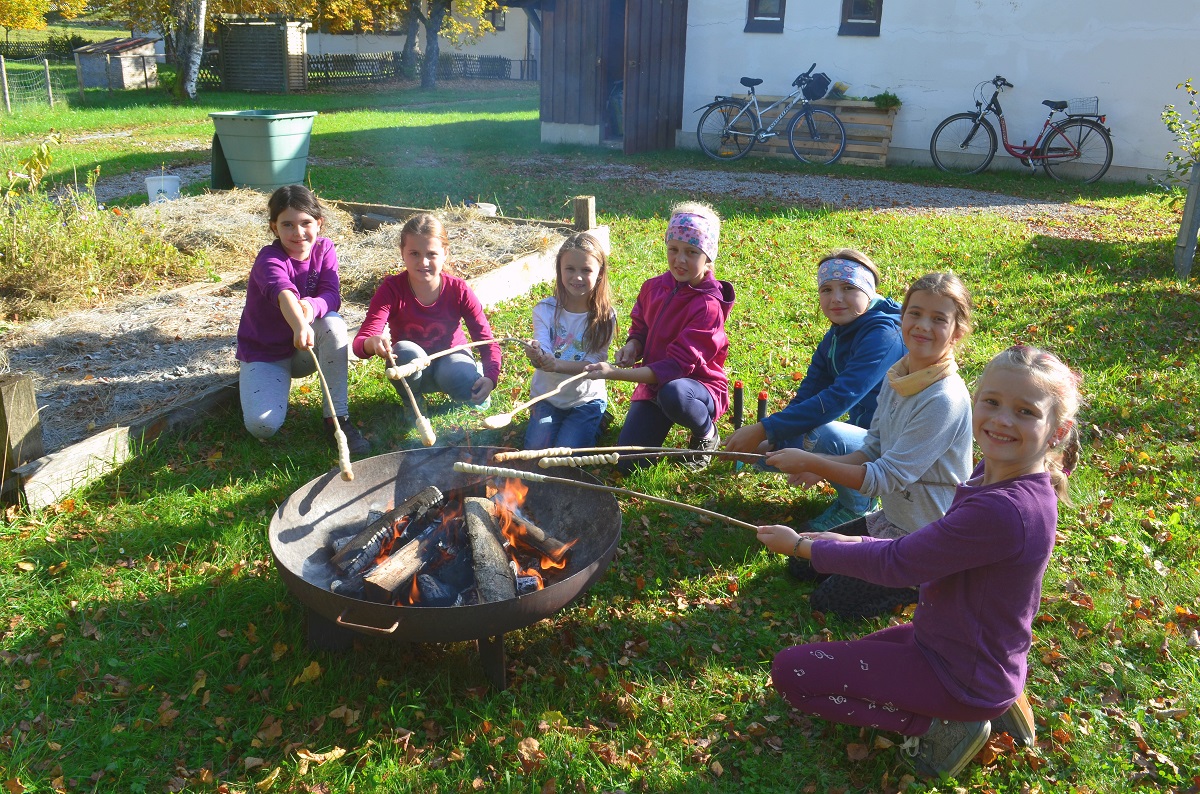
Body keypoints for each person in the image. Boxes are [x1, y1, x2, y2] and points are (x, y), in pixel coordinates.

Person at [754, 345, 1082, 780]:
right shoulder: (999, 474)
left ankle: (942, 726)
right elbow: (930, 548)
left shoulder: (1006, 509)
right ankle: (998, 699)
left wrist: (806, 548)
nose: (1002, 420)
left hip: (959, 673)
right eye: (992, 402)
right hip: (950, 643)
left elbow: (899, 564)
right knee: (857, 655)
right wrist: (835, 540)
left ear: (1057, 432)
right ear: (976, 401)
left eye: (1025, 411)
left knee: (792, 672)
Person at [766, 272, 975, 619]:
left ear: (957, 331)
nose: (923, 325)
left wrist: (815, 462)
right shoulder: (900, 375)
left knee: (830, 601)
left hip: (924, 540)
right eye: (915, 313)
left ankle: (927, 582)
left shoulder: (944, 398)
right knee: (801, 567)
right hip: (892, 519)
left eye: (939, 319)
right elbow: (874, 448)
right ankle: (875, 559)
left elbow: (885, 478)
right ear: (902, 316)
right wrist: (815, 466)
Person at [724, 249, 904, 530]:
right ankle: (848, 488)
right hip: (866, 438)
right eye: (827, 289)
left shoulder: (884, 335)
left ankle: (858, 506)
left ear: (869, 291)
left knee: (824, 433)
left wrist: (765, 429)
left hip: (895, 450)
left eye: (848, 288)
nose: (836, 298)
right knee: (765, 451)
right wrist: (771, 438)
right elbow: (809, 392)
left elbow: (838, 398)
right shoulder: (837, 334)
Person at [585, 201, 735, 470]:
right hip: (654, 385)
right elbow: (640, 325)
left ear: (708, 255)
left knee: (674, 393)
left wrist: (613, 373)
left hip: (695, 388)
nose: (680, 259)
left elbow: (676, 367)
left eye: (691, 252)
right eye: (673, 249)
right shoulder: (653, 287)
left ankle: (706, 433)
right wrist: (633, 345)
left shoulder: (708, 307)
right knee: (628, 465)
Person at [236, 185, 369, 457]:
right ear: (274, 227)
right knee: (263, 426)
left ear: (318, 223)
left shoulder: (324, 248)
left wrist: (311, 306)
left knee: (333, 325)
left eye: (306, 223)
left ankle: (336, 419)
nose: (298, 233)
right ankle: (265, 384)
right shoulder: (269, 258)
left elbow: (332, 294)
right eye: (287, 224)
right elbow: (284, 294)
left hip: (304, 351)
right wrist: (299, 324)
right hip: (266, 354)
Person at [353, 213, 500, 415]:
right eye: (414, 253)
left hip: (451, 361)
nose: (423, 262)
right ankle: (412, 402)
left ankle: (470, 387)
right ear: (402, 252)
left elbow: (485, 339)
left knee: (457, 373)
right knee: (404, 351)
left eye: (431, 254)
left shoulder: (458, 290)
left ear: (445, 253)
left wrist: (491, 377)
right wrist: (372, 343)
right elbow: (361, 341)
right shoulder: (391, 290)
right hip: (413, 368)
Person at [523, 232, 617, 450]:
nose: (577, 277)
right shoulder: (544, 310)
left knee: (567, 453)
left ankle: (597, 421)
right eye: (570, 269)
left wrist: (557, 365)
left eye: (586, 270)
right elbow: (543, 349)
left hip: (585, 400)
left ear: (600, 273)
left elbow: (594, 365)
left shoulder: (605, 317)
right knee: (535, 450)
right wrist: (537, 354)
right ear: (559, 270)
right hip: (546, 397)